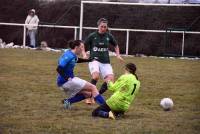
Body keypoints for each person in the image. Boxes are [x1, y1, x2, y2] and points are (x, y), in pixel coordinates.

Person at [83, 18, 124, 104]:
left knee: (110, 81)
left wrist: (118, 55)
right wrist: (84, 54)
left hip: (105, 61)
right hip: (94, 60)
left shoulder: (109, 36)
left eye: (105, 27)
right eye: (102, 26)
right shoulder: (92, 36)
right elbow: (83, 45)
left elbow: (116, 45)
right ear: (98, 26)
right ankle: (89, 97)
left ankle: (95, 96)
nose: (103, 28)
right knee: (96, 76)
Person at [56, 40, 106, 109]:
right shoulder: (69, 56)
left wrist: (89, 60)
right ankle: (105, 108)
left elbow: (77, 60)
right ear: (76, 47)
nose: (83, 49)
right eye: (81, 47)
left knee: (88, 94)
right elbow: (59, 69)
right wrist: (67, 78)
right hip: (66, 81)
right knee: (93, 87)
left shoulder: (72, 54)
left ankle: (67, 102)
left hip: (65, 81)